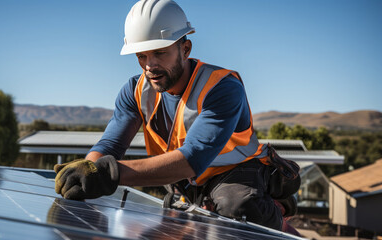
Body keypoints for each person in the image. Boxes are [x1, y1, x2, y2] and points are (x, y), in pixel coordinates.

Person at [54, 0, 300, 232]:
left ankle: (275, 218)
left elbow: (192, 158)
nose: (150, 65)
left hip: (237, 174)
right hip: (185, 182)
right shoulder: (135, 91)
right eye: (141, 56)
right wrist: (85, 170)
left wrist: (107, 174)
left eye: (159, 52)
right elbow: (111, 144)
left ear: (185, 48)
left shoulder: (222, 87)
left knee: (238, 208)